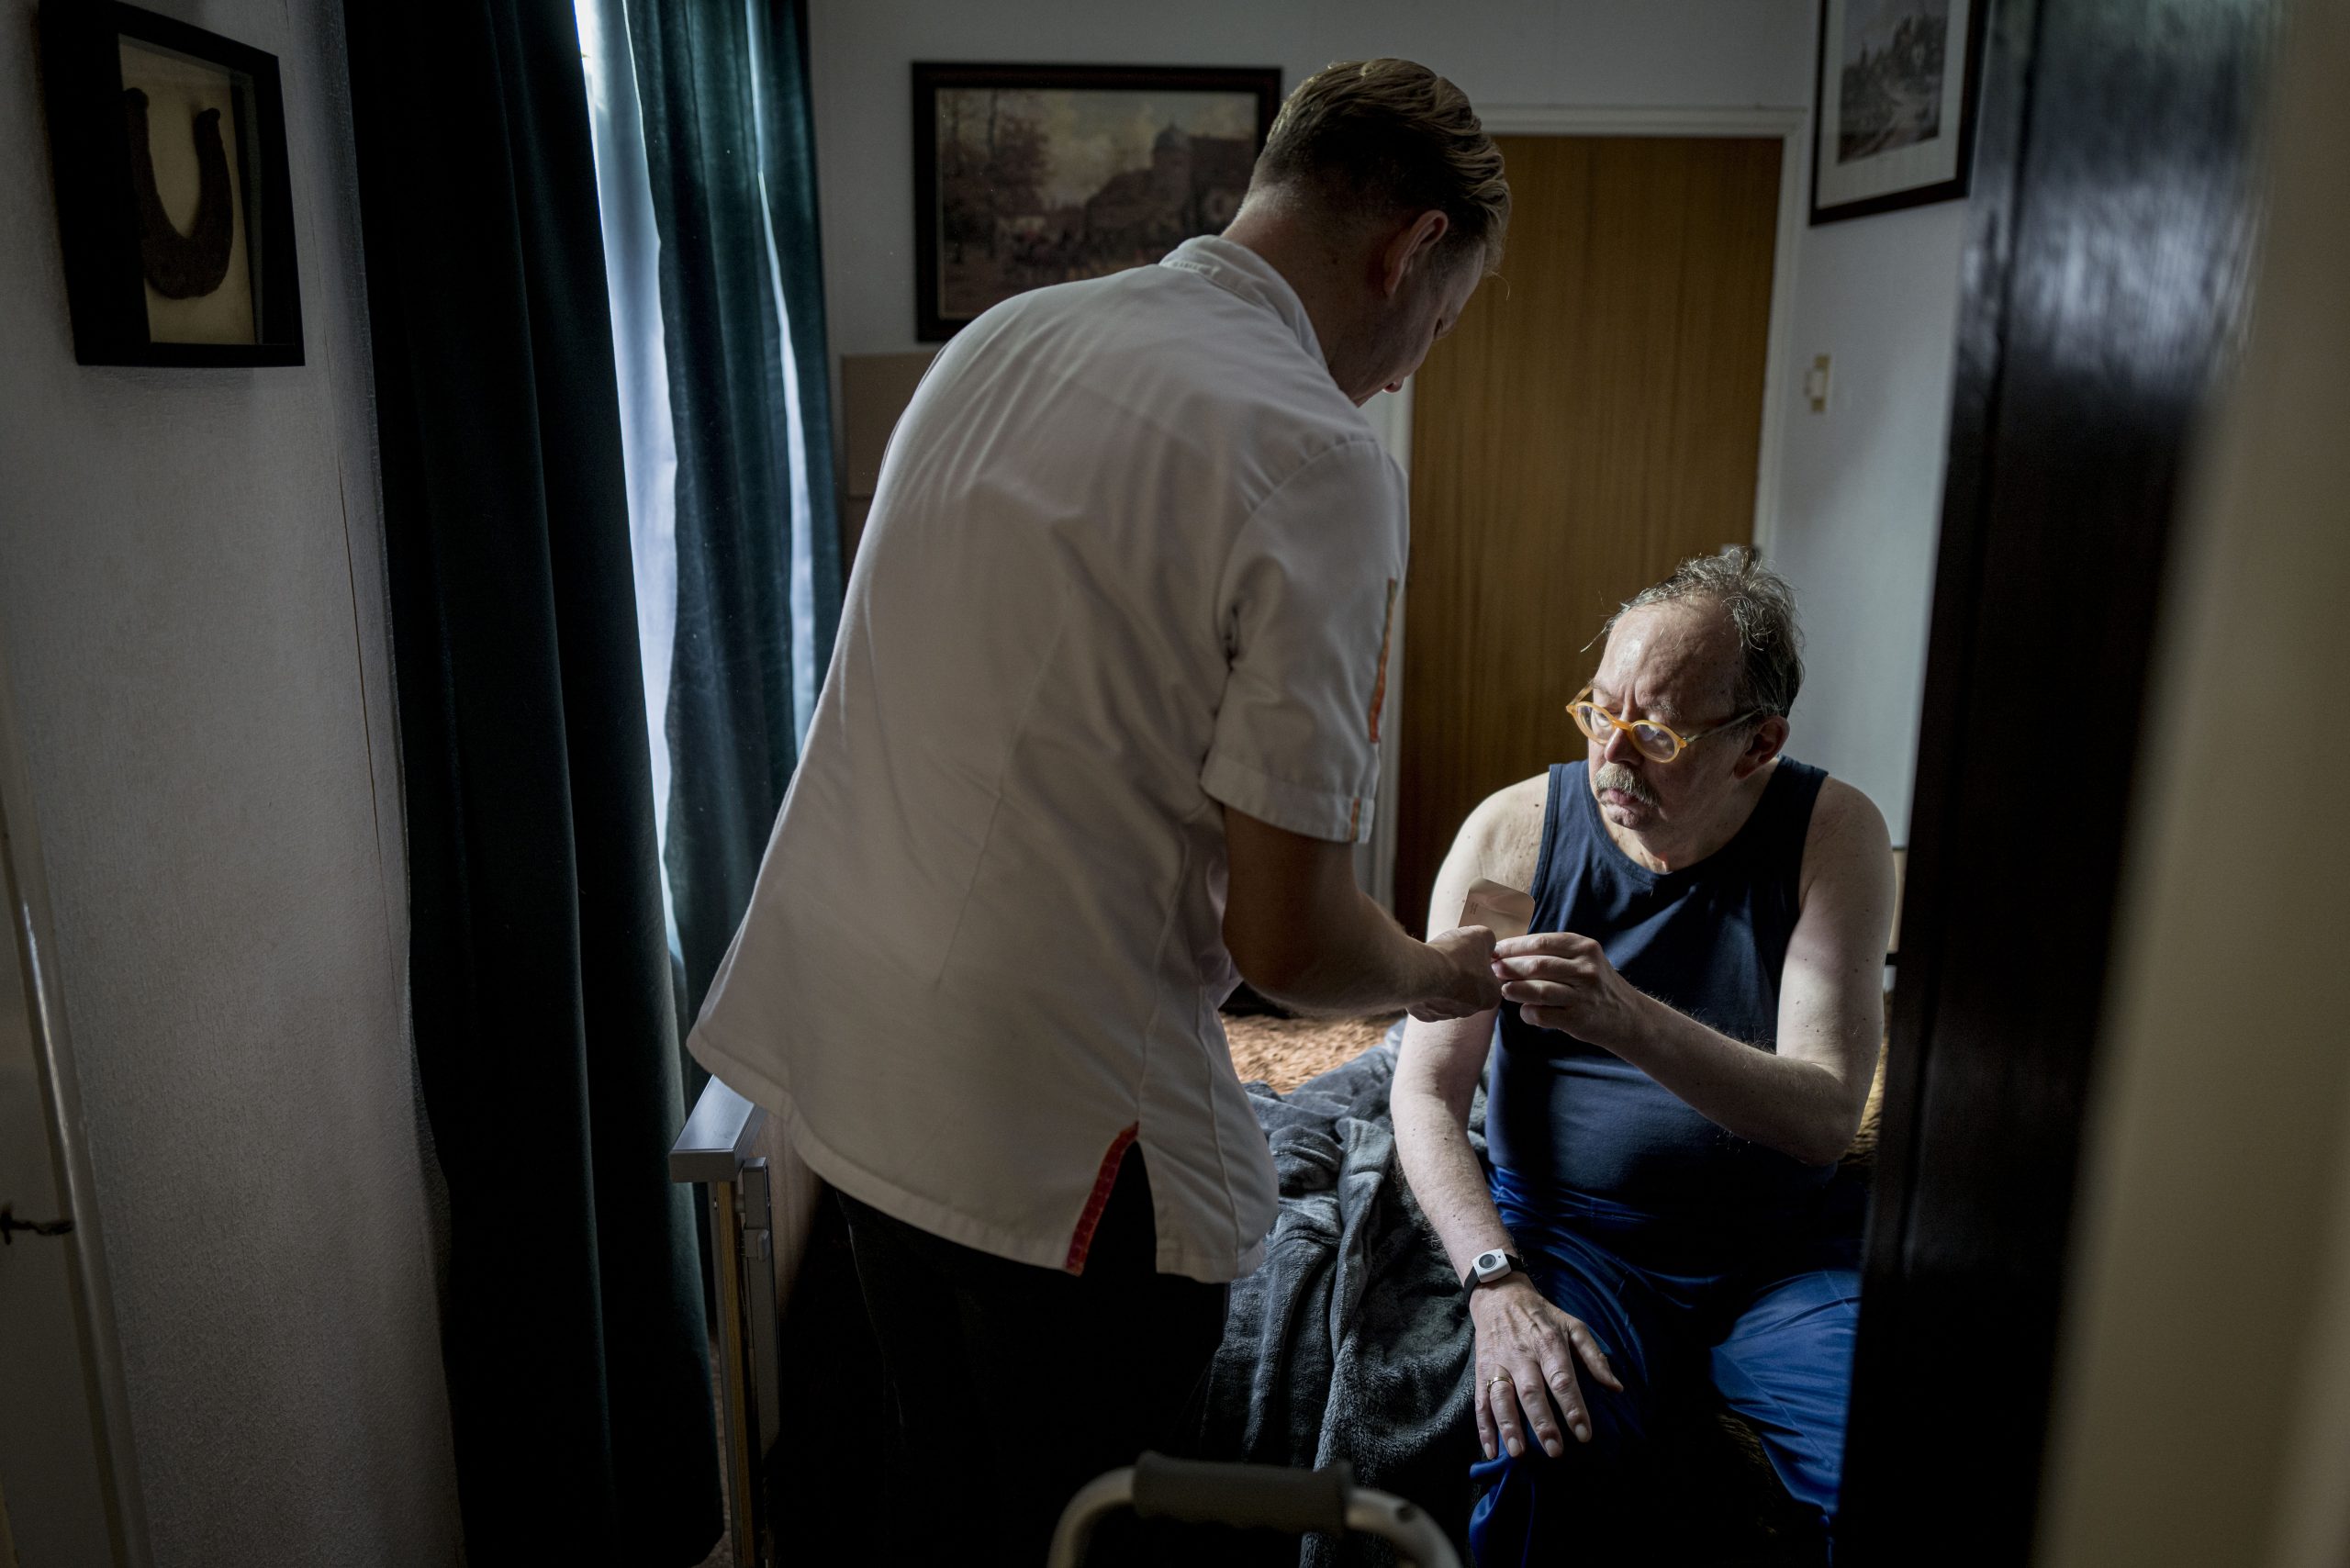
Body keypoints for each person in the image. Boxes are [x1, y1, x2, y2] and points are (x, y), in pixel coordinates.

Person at [687, 59, 1510, 1561]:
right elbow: (1289, 937)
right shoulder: (1318, 452)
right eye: (1434, 329)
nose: (1402, 371)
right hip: (1058, 1128)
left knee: (944, 1503)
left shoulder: (1003, 336)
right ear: (1408, 250)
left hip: (864, 1068)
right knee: (1099, 1529)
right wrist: (1443, 971)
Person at [1392, 549, 1897, 1563]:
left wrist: (1625, 1016)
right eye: (1598, 709)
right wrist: (1496, 1282)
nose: (1610, 754)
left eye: (1655, 729)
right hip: (1577, 1239)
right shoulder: (1516, 835)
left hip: (1780, 1254)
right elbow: (1429, 1092)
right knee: (1535, 1446)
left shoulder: (1831, 836)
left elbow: (1822, 1115)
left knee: (1886, 1464)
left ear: (1758, 745)